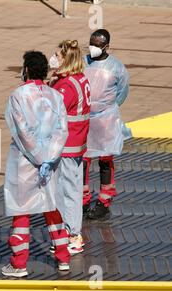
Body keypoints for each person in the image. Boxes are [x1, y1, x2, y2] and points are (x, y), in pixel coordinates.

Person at [1, 51, 70, 277]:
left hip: (25, 162)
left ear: (27, 70)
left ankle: (19, 264)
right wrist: (49, 157)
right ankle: (63, 258)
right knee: (52, 207)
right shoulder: (55, 96)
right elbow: (62, 131)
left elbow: (22, 131)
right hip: (51, 163)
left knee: (22, 210)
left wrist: (38, 157)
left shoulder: (18, 96)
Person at [83, 29, 130, 220]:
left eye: (97, 44)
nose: (92, 47)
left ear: (106, 46)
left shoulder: (117, 67)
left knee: (105, 159)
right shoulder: (83, 62)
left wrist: (106, 108)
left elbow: (122, 92)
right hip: (85, 118)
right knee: (83, 160)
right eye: (91, 43)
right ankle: (83, 199)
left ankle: (104, 199)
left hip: (106, 120)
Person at [49, 40, 91, 255]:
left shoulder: (66, 86)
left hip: (67, 145)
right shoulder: (79, 79)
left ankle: (72, 234)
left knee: (67, 190)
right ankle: (69, 232)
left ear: (66, 59)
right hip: (76, 143)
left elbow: (52, 110)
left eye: (57, 55)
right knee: (69, 188)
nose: (53, 58)